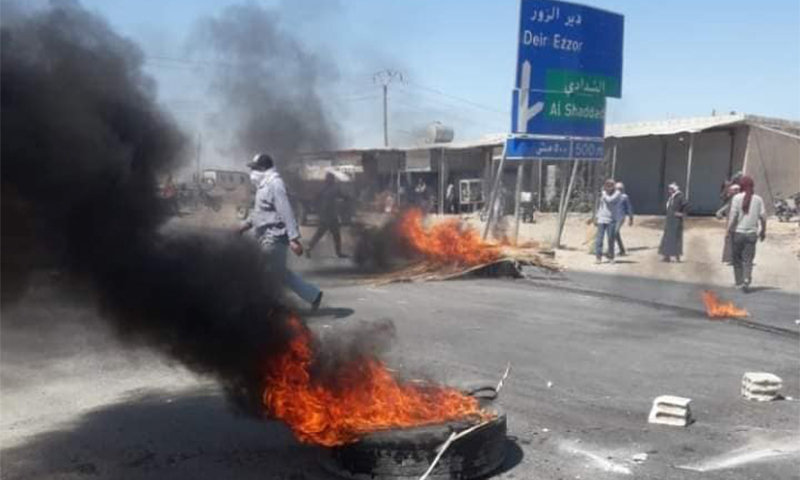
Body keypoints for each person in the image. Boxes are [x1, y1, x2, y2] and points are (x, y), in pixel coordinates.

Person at [239, 153, 322, 310]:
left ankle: (270, 309)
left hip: (274, 238)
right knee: (280, 273)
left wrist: (294, 238)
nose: (252, 172)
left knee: (266, 272)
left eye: (254, 168)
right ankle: (313, 295)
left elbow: (286, 211)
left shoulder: (275, 184)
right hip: (263, 237)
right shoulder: (264, 185)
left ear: (263, 168)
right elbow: (260, 213)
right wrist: (244, 226)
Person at [727, 175, 766, 292]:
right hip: (752, 234)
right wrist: (763, 231)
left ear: (741, 186)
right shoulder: (759, 199)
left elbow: (733, 216)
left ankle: (739, 282)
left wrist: (728, 230)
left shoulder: (737, 198)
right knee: (748, 259)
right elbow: (763, 217)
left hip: (738, 233)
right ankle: (746, 279)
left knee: (737, 258)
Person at [306, 172, 348, 258]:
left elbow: (315, 199)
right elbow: (343, 196)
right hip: (330, 216)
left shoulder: (324, 189)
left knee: (320, 235)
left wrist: (314, 207)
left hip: (326, 216)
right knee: (335, 235)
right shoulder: (333, 189)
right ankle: (338, 252)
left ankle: (309, 248)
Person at [658, 182, 689, 262]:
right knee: (667, 238)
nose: (669, 191)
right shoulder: (672, 197)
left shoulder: (680, 197)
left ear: (674, 189)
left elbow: (686, 205)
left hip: (676, 221)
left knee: (676, 238)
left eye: (670, 189)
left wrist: (682, 214)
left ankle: (677, 257)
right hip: (670, 221)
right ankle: (666, 256)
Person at [594, 179, 622, 264]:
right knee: (599, 239)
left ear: (613, 186)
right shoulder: (604, 194)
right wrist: (596, 216)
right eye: (607, 186)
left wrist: (603, 193)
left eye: (610, 186)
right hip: (602, 219)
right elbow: (601, 206)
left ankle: (611, 257)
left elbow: (610, 200)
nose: (608, 188)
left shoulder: (617, 193)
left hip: (611, 220)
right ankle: (598, 258)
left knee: (610, 239)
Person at [716, 183, 741, 264]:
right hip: (730, 220)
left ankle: (734, 259)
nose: (729, 191)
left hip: (735, 221)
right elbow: (728, 205)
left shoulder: (739, 198)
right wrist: (721, 211)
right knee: (729, 239)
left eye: (731, 190)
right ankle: (731, 258)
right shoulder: (733, 198)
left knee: (733, 239)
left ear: (737, 191)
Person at [613, 182, 634, 255]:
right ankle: (622, 250)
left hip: (621, 217)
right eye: (616, 188)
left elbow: (629, 208)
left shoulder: (624, 197)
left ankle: (614, 250)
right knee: (615, 233)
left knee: (614, 232)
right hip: (613, 217)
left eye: (619, 189)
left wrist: (631, 219)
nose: (618, 190)